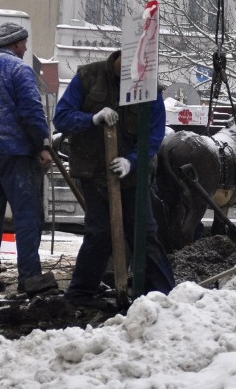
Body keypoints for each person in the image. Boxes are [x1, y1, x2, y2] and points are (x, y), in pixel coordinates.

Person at [53, 50, 175, 310]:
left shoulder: (148, 86)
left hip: (132, 174)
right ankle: (81, 292)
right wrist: (92, 118)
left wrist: (132, 161)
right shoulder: (88, 76)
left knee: (144, 231)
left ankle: (163, 293)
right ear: (117, 60)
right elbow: (61, 117)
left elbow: (153, 134)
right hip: (93, 171)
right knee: (100, 232)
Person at [0, 22, 51, 293]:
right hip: (18, 154)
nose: (26, 48)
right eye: (24, 43)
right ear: (17, 44)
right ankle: (29, 277)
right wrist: (41, 144)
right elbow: (31, 110)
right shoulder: (20, 69)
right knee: (27, 216)